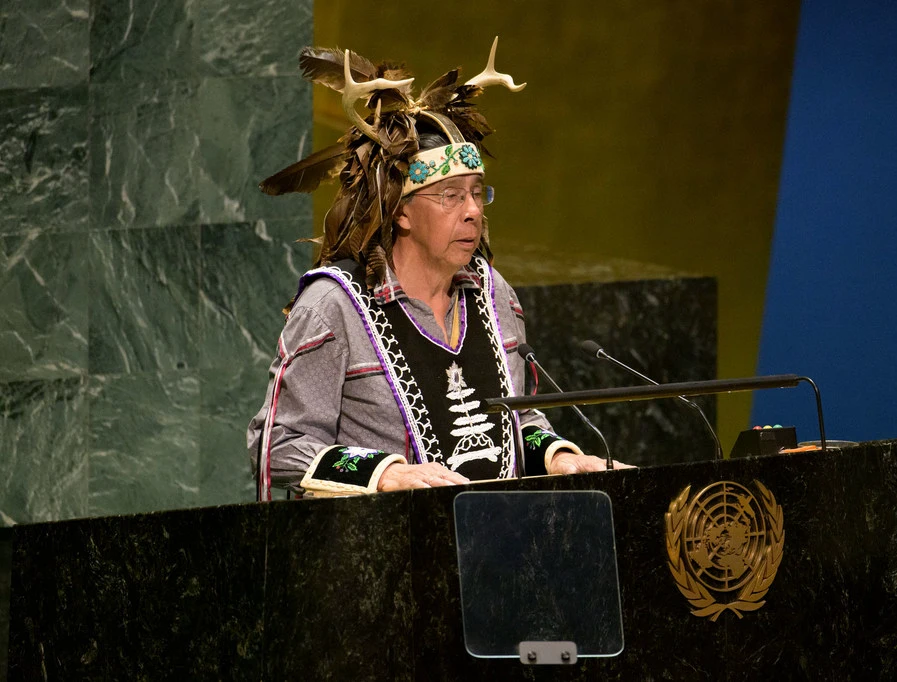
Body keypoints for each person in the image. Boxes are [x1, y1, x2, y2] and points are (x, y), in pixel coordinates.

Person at [246, 38, 626, 499]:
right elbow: (278, 445)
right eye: (450, 196)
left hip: (495, 545)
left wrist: (560, 457)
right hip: (386, 555)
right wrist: (384, 474)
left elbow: (518, 418)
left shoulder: (492, 291)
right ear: (401, 211)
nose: (472, 212)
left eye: (477, 193)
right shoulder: (335, 307)